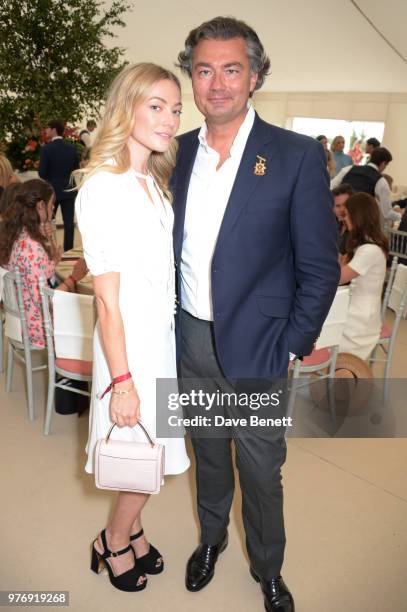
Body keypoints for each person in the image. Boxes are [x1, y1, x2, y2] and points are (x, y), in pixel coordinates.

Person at [173, 16, 340, 612]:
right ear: (191, 78)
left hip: (262, 345)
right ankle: (211, 540)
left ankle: (268, 568)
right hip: (190, 338)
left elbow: (320, 265)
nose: (217, 84)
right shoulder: (176, 152)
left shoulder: (294, 156)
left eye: (232, 69)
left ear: (256, 76)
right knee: (208, 452)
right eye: (204, 70)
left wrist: (293, 342)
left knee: (262, 468)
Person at [74, 63, 190, 593]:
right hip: (130, 344)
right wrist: (122, 382)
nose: (169, 119)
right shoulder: (105, 186)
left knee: (155, 448)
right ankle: (113, 540)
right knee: (148, 448)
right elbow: (105, 295)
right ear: (128, 107)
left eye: (175, 108)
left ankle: (134, 530)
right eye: (156, 106)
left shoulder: (151, 179)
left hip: (158, 337)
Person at [0, 179, 87, 348]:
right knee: (89, 317)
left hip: (22, 319)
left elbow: (43, 272)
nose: (53, 208)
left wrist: (49, 242)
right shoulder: (32, 249)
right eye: (51, 204)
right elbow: (47, 302)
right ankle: (72, 368)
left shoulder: (19, 235)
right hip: (38, 329)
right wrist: (74, 278)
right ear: (40, 206)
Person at [339, 193, 388, 359]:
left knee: (316, 327)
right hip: (357, 311)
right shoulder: (365, 245)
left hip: (359, 322)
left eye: (347, 214)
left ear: (357, 216)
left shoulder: (369, 250)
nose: (343, 218)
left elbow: (338, 277)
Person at [330, 147, 402, 225]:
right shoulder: (381, 181)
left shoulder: (349, 168)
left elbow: (330, 186)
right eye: (386, 165)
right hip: (358, 223)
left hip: (336, 217)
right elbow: (387, 213)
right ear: (383, 163)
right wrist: (400, 216)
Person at [39, 120, 80, 251]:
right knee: (69, 223)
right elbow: (75, 169)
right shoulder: (72, 148)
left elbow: (42, 172)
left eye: (47, 128)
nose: (46, 131)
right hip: (69, 189)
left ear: (54, 130)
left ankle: (49, 249)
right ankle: (69, 251)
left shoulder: (47, 149)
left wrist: (50, 180)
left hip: (52, 191)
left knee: (47, 222)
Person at [332, 183, 354, 254]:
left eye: (345, 204)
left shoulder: (360, 229)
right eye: (337, 206)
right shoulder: (333, 226)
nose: (342, 209)